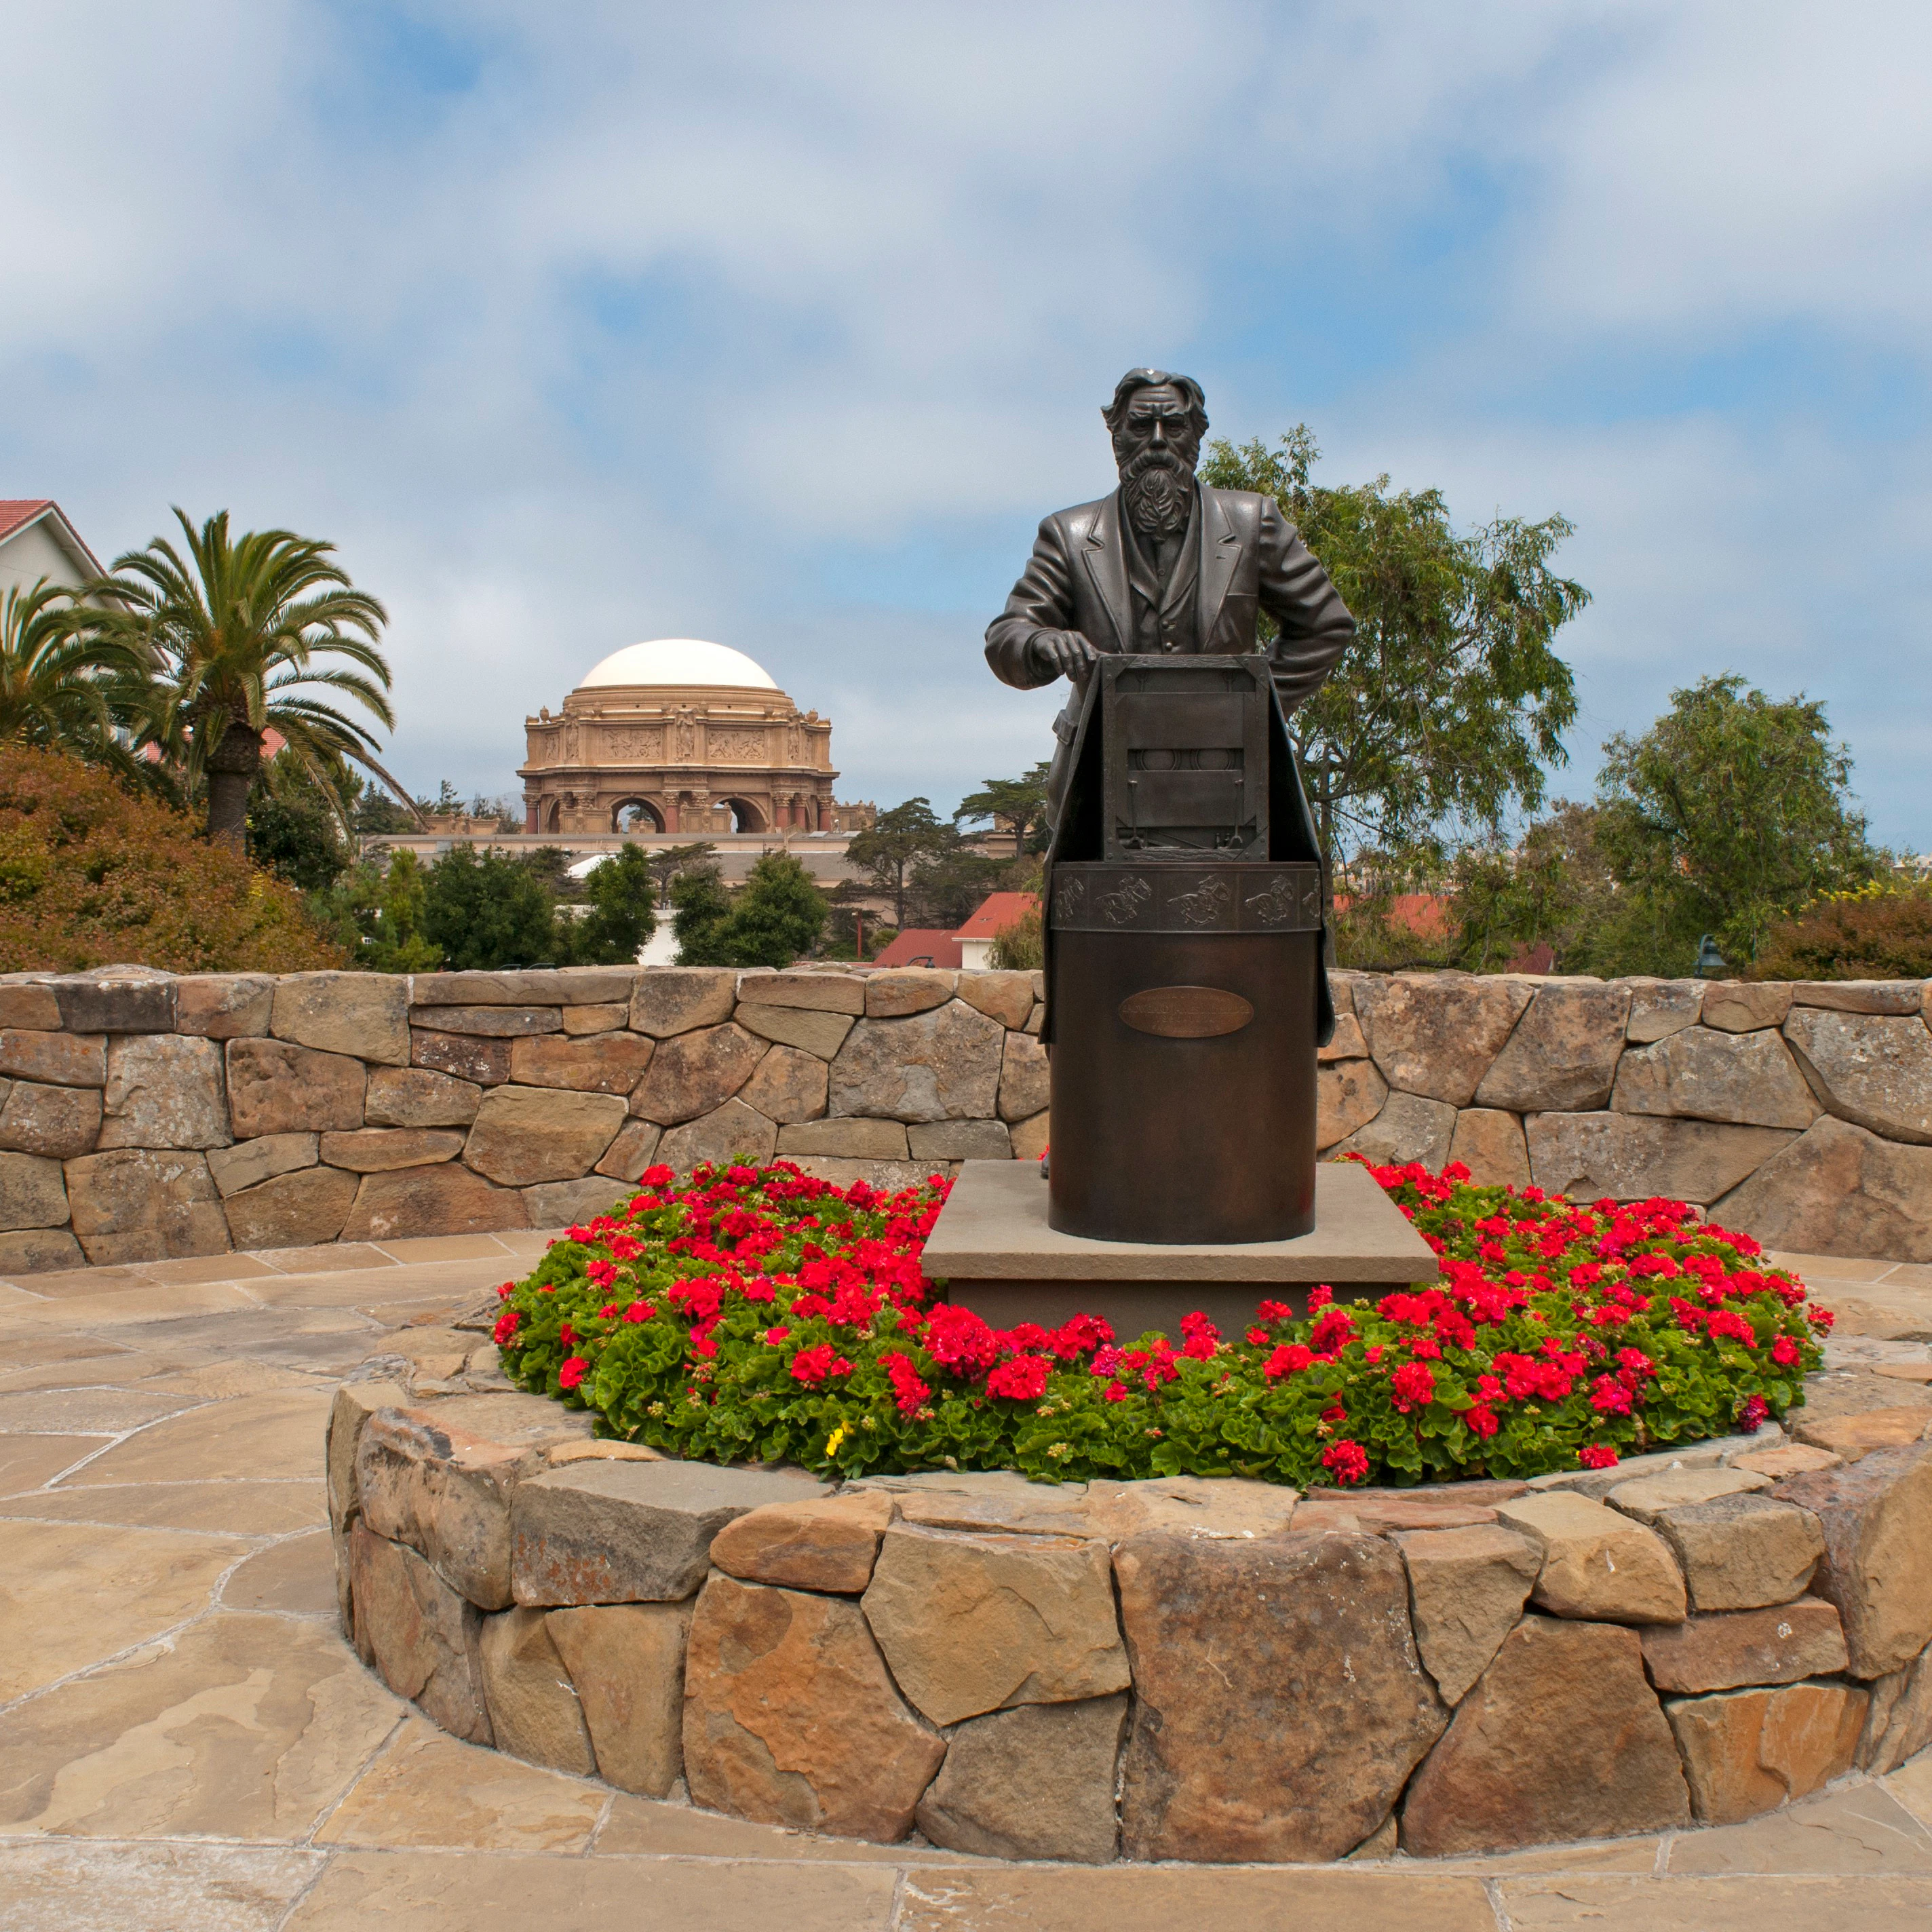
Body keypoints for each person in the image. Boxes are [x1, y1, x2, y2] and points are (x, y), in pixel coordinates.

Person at [984, 368, 1355, 830]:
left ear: (1196, 437)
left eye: (1174, 427)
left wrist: (1254, 706)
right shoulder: (1070, 536)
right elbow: (1007, 636)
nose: (1157, 442)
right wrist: (1041, 642)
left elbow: (1326, 622)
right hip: (1098, 786)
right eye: (1141, 427)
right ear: (1116, 437)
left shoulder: (1252, 522)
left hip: (1226, 781)